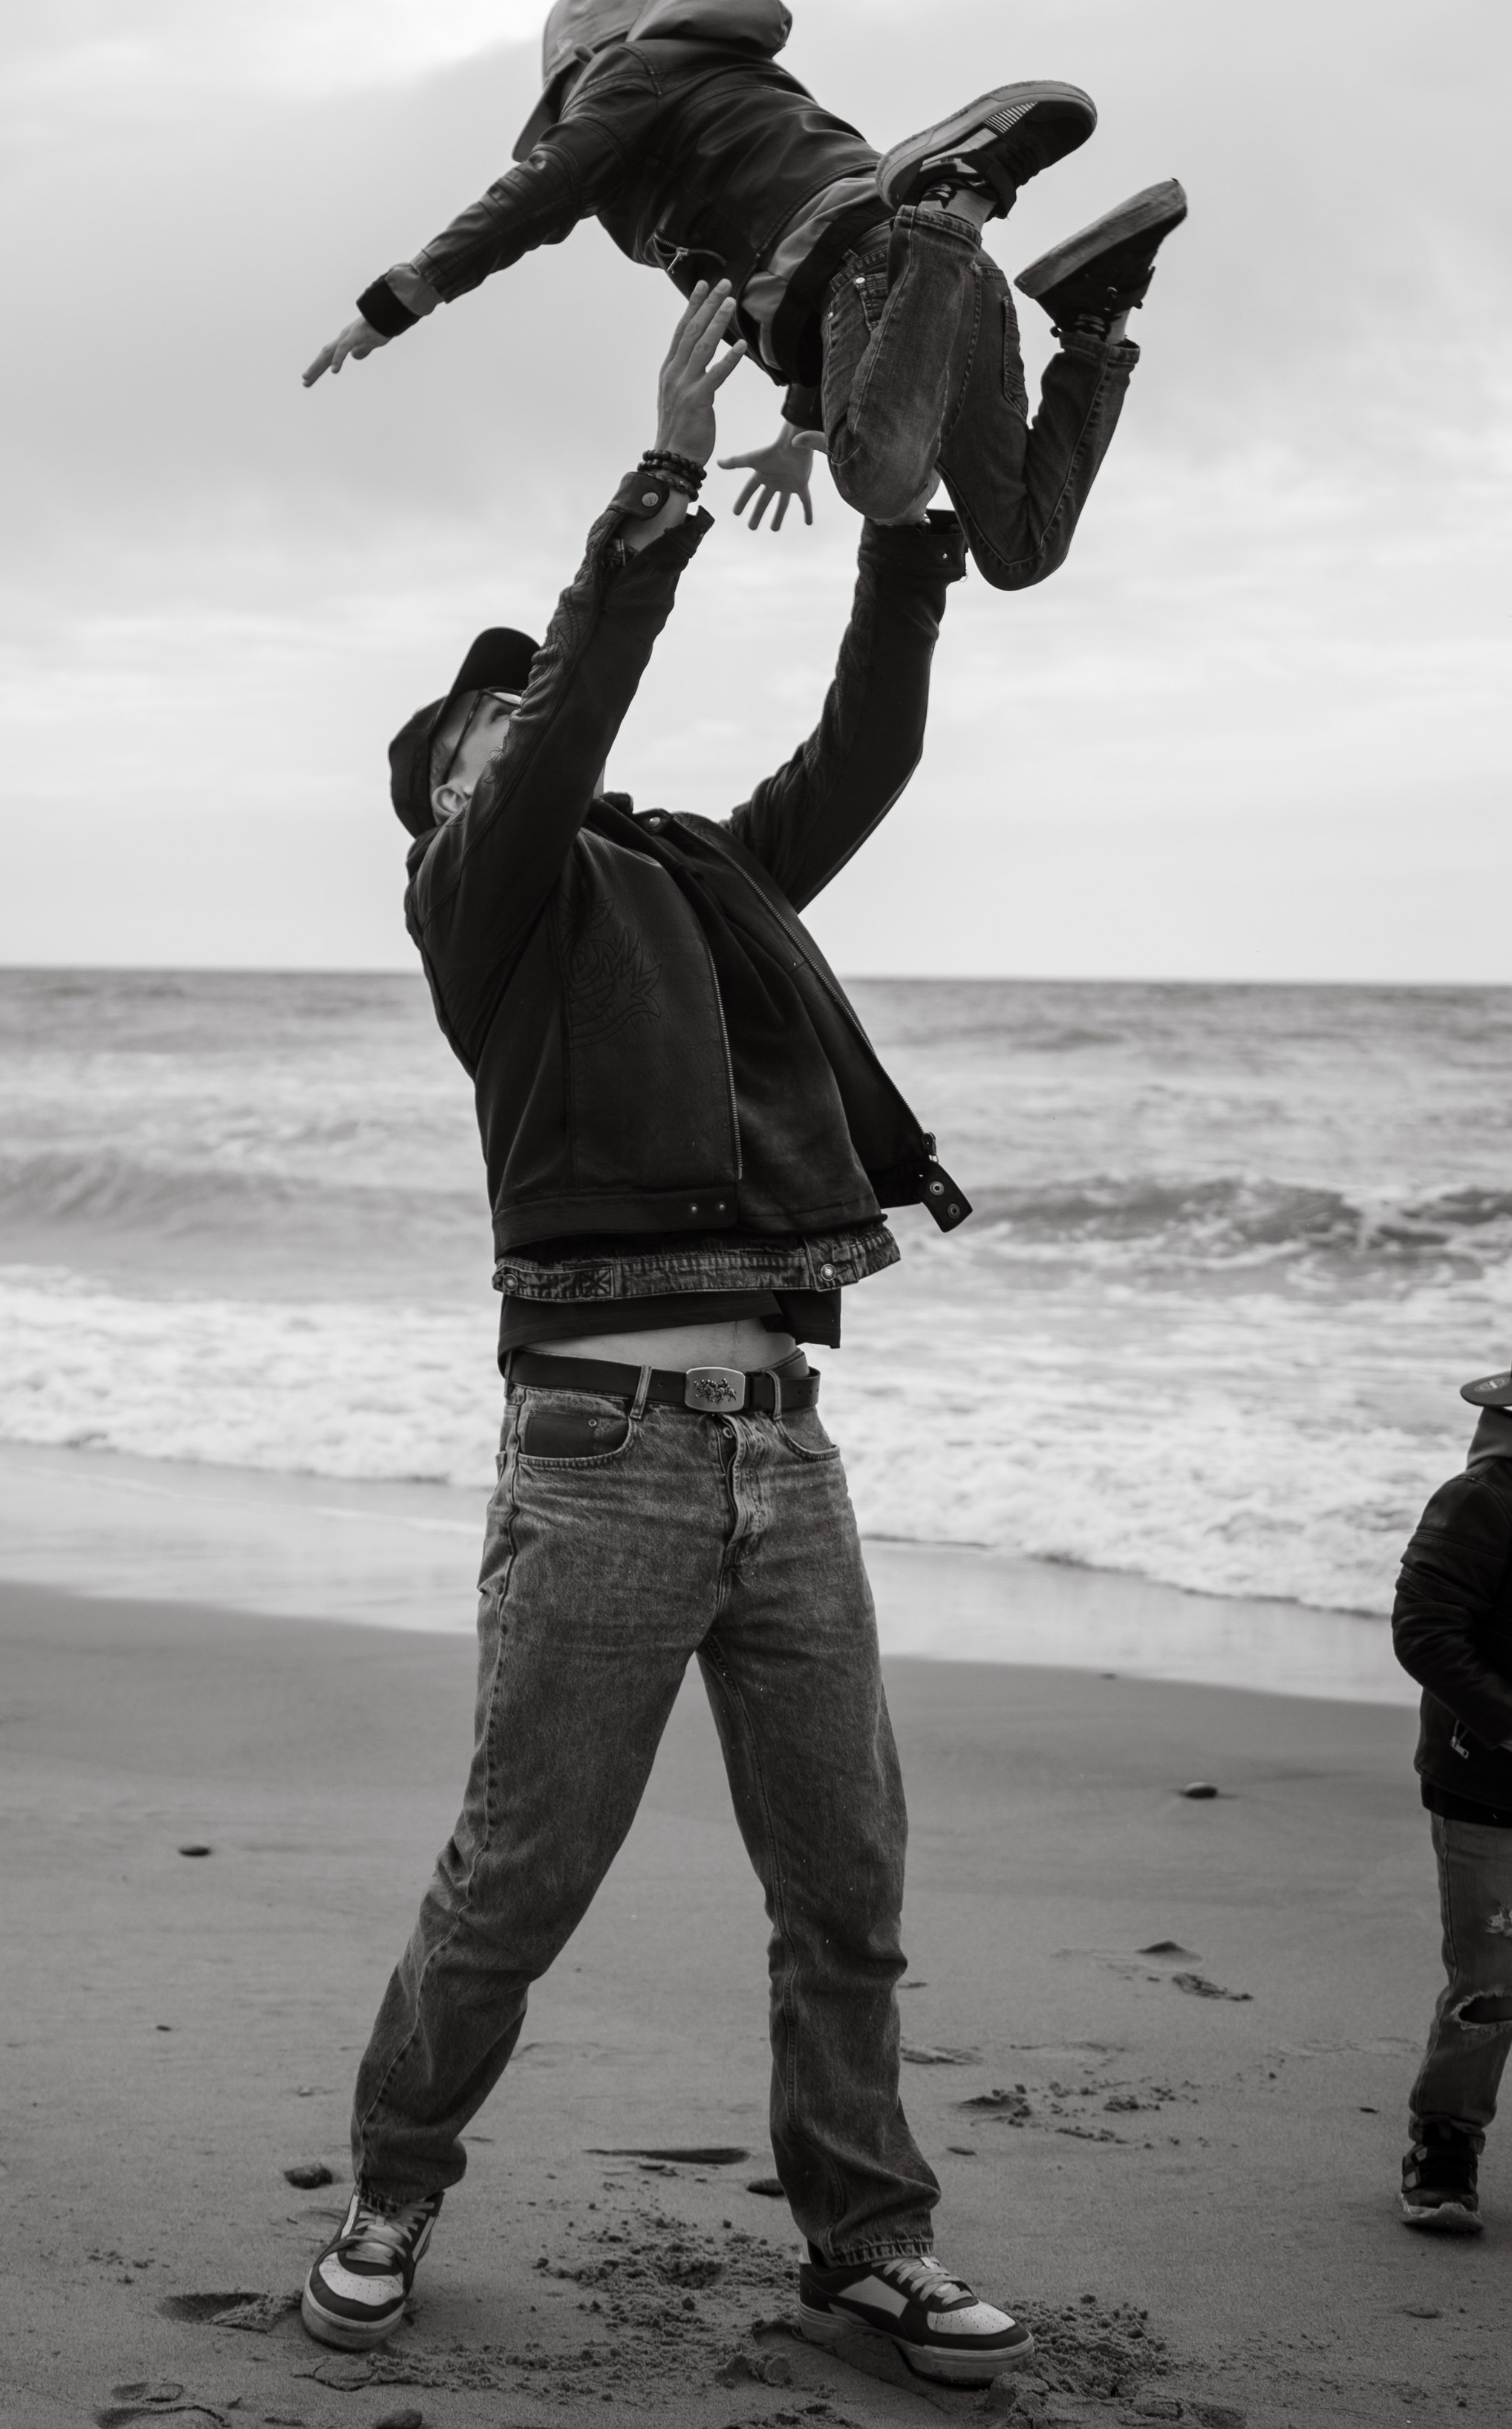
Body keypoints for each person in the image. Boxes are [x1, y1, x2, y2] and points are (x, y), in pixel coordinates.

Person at [299, 279, 1032, 2390]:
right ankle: (392, 2188)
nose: (515, 724)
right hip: (601, 1464)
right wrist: (667, 476)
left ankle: (865, 2241)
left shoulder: (711, 883)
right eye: (484, 721)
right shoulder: (483, 902)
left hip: (788, 1459)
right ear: (446, 785)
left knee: (849, 1887)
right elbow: (576, 706)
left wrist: (899, 509)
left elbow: (868, 750)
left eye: (521, 710)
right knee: (515, 1882)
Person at [303, 0, 1184, 585]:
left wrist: (401, 297)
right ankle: (1093, 317)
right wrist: (805, 428)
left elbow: (543, 188)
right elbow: (791, 304)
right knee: (1018, 551)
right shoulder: (730, 93)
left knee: (882, 482)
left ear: (580, 66)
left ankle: (955, 196)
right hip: (923, 278)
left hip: (880, 260)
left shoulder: (633, 75)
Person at [1392, 1368, 1512, 2234]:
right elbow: (1424, 1631)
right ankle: (1444, 2149)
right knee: (1492, 1985)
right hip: (1487, 1781)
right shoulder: (1477, 1501)